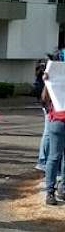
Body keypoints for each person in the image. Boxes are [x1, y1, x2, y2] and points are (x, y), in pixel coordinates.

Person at [41, 70, 65, 205]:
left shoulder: (55, 83)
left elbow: (44, 100)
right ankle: (57, 189)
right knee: (55, 157)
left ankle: (51, 192)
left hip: (57, 120)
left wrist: (48, 81)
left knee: (54, 157)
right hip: (58, 121)